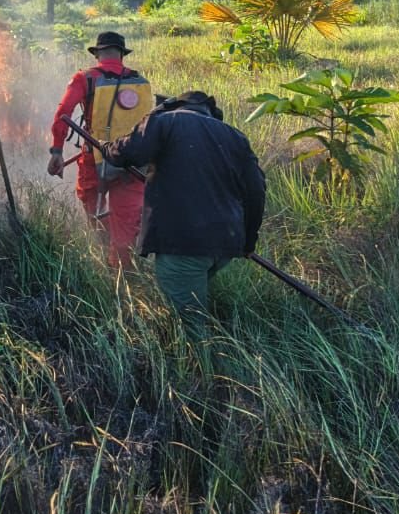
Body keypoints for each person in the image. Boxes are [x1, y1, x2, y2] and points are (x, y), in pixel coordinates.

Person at [101, 91, 266, 338]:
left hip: (184, 245)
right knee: (193, 306)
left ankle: (205, 372)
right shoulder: (235, 136)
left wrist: (106, 147)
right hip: (224, 247)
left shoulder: (165, 121)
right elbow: (256, 191)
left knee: (190, 328)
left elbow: (129, 153)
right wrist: (247, 241)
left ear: (174, 105)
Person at [48, 31, 152, 268]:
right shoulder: (140, 82)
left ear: (98, 54)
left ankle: (101, 249)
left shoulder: (85, 78)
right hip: (133, 164)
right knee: (125, 223)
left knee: (93, 207)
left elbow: (62, 114)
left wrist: (56, 151)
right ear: (122, 55)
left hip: (94, 160)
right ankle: (123, 272)